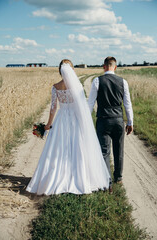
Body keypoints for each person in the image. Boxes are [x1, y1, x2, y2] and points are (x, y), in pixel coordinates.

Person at [26, 59, 110, 195]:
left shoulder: (55, 87)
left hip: (61, 119)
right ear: (72, 71)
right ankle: (79, 177)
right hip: (75, 119)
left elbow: (53, 109)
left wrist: (48, 124)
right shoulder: (77, 87)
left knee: (59, 149)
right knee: (77, 148)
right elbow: (82, 107)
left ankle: (57, 177)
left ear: (60, 71)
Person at [88, 56, 133, 193]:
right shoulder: (123, 82)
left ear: (104, 66)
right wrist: (130, 122)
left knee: (104, 152)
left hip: (103, 120)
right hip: (118, 120)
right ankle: (118, 177)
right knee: (119, 149)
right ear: (115, 67)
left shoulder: (97, 81)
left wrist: (86, 120)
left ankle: (107, 183)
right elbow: (127, 104)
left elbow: (90, 103)